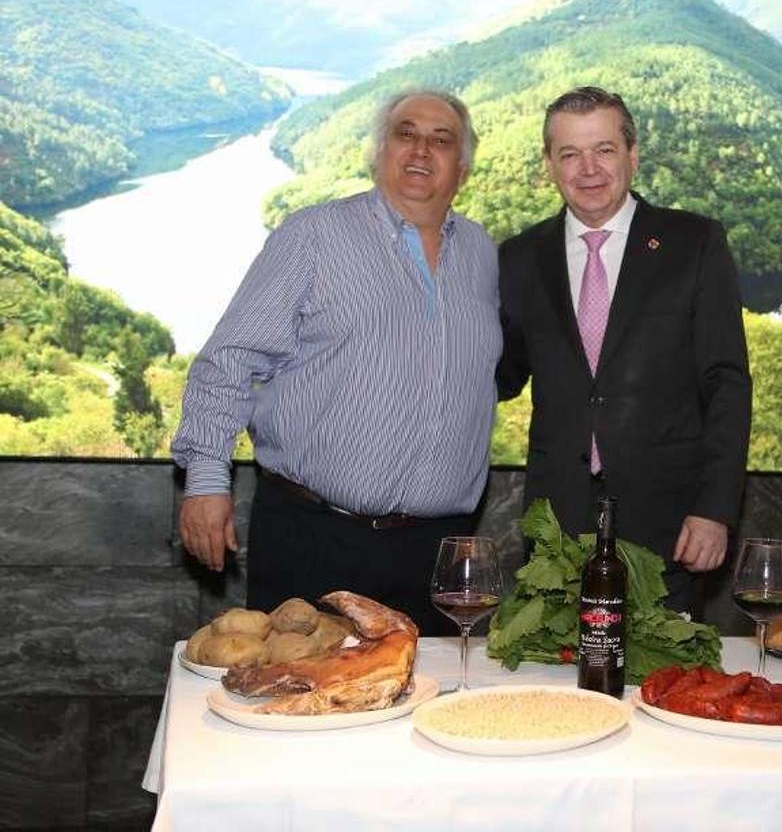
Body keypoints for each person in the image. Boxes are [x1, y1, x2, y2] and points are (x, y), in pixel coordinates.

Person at [171, 89, 501, 635]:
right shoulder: (313, 236)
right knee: (300, 708)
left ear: (462, 167)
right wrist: (207, 481)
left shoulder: (481, 253)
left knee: (430, 714)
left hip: (435, 555)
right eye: (405, 133)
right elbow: (229, 360)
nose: (421, 149)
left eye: (441, 140)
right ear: (379, 152)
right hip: (315, 540)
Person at [497, 86, 752, 616]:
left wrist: (715, 509)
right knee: (556, 686)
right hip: (556, 525)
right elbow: (500, 374)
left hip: (670, 524)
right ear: (550, 164)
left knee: (662, 683)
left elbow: (726, 382)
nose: (588, 168)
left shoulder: (693, 244)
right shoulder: (519, 259)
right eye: (569, 153)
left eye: (604, 150)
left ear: (633, 155)